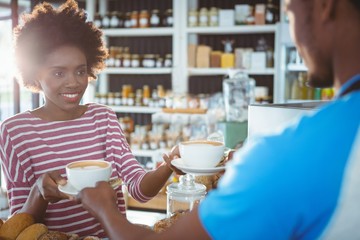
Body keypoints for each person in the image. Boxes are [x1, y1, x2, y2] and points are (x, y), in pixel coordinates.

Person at [76, 0, 360, 239]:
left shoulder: (284, 154)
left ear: (323, 6)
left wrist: (105, 210)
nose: (293, 35)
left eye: (289, 14)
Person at [0, 0, 177, 238]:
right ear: (35, 73)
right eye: (58, 72)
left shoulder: (102, 118)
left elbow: (139, 189)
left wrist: (168, 166)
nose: (73, 82)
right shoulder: (15, 131)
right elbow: (19, 227)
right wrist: (39, 192)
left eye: (81, 71)